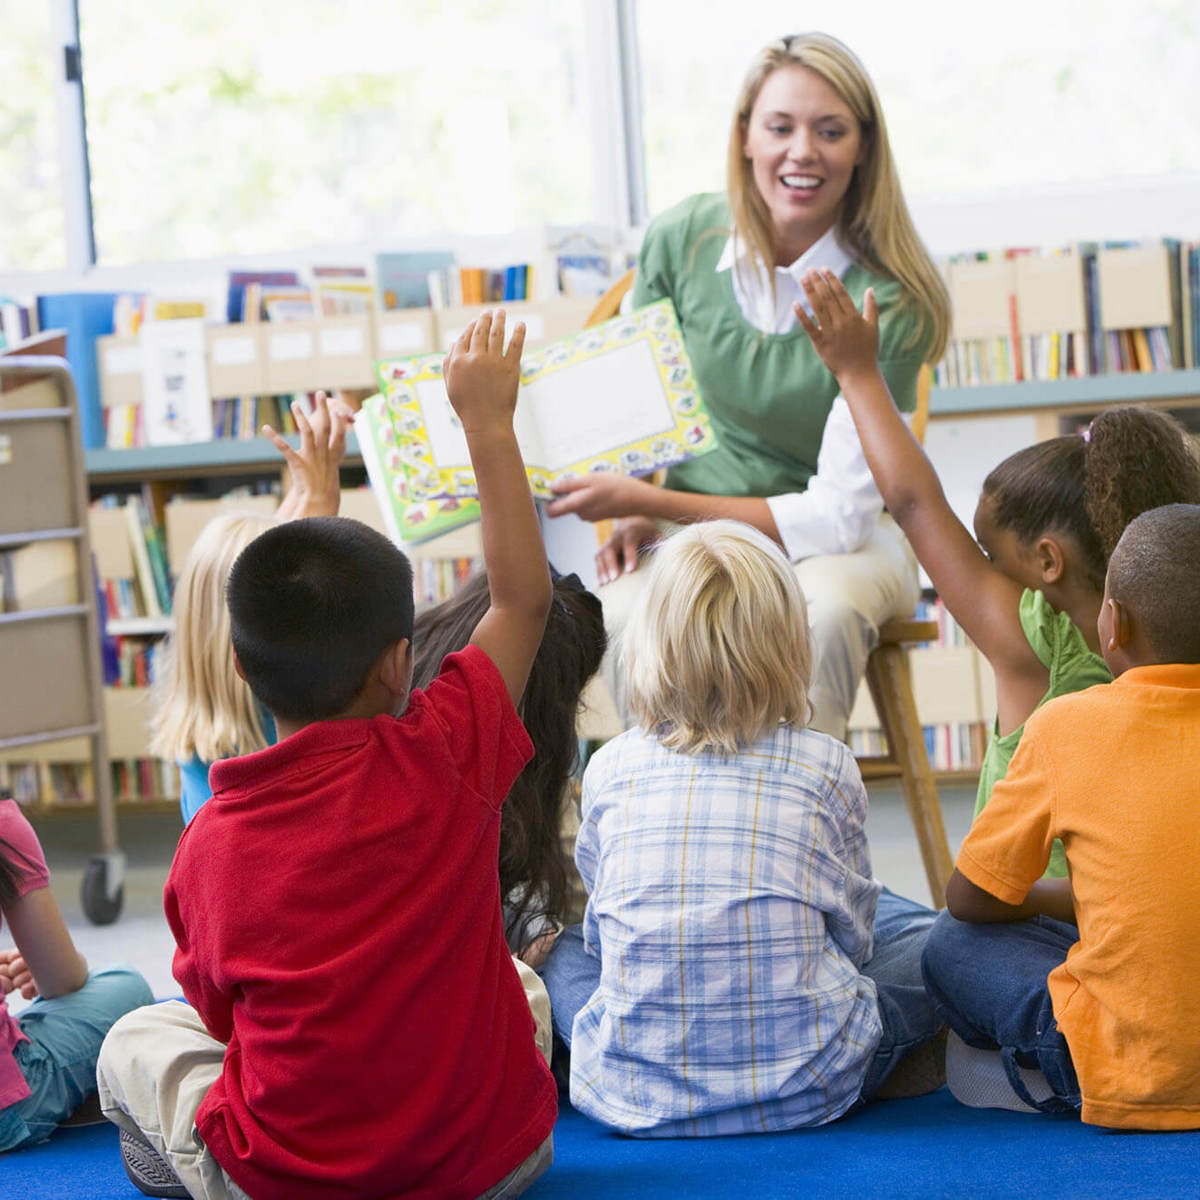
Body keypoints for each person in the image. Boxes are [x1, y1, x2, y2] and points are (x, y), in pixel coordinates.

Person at [97, 310, 559, 1199]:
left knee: (137, 1037)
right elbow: (522, 603)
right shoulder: (446, 749)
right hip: (491, 1166)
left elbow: (223, 1024)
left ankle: (183, 1161)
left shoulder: (208, 847)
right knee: (509, 982)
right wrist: (488, 426)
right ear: (399, 662)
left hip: (291, 1184)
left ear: (238, 665)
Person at [545, 31, 951, 739]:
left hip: (844, 544)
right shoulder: (681, 240)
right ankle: (658, 831)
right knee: (615, 620)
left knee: (819, 615)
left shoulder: (890, 296)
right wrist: (639, 502)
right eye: (781, 127)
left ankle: (786, 830)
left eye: (831, 131)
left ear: (863, 150)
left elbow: (837, 516)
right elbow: (640, 409)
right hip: (691, 536)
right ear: (744, 138)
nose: (803, 152)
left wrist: (653, 499)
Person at [539, 520, 942, 1136]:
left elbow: (603, 937)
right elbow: (854, 942)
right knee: (935, 938)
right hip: (811, 1084)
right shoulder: (826, 762)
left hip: (632, 1090)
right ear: (790, 644)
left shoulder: (609, 765)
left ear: (650, 644)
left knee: (563, 952)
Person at [794, 267, 1200, 874]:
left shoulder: (1038, 644)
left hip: (1034, 927)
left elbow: (913, 502)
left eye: (990, 557)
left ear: (1047, 562)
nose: (982, 572)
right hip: (1147, 932)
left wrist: (856, 372)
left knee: (918, 937)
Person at [919, 504, 1200, 1128]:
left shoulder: (1067, 725)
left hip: (1126, 1071)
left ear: (1113, 624)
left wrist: (1071, 899)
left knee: (950, 945)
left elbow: (970, 900)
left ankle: (1043, 1073)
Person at [150, 390, 352, 824]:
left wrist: (315, 480)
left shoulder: (206, 734)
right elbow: (304, 597)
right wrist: (319, 501)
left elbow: (261, 566)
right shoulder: (273, 721)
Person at [412, 568, 607, 966]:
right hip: (447, 956)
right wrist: (522, 964)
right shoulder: (498, 745)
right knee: (570, 955)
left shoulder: (417, 657)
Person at [0, 791, 151, 1152]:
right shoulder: (4, 826)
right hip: (8, 1105)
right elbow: (64, 979)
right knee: (126, 984)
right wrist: (42, 961)